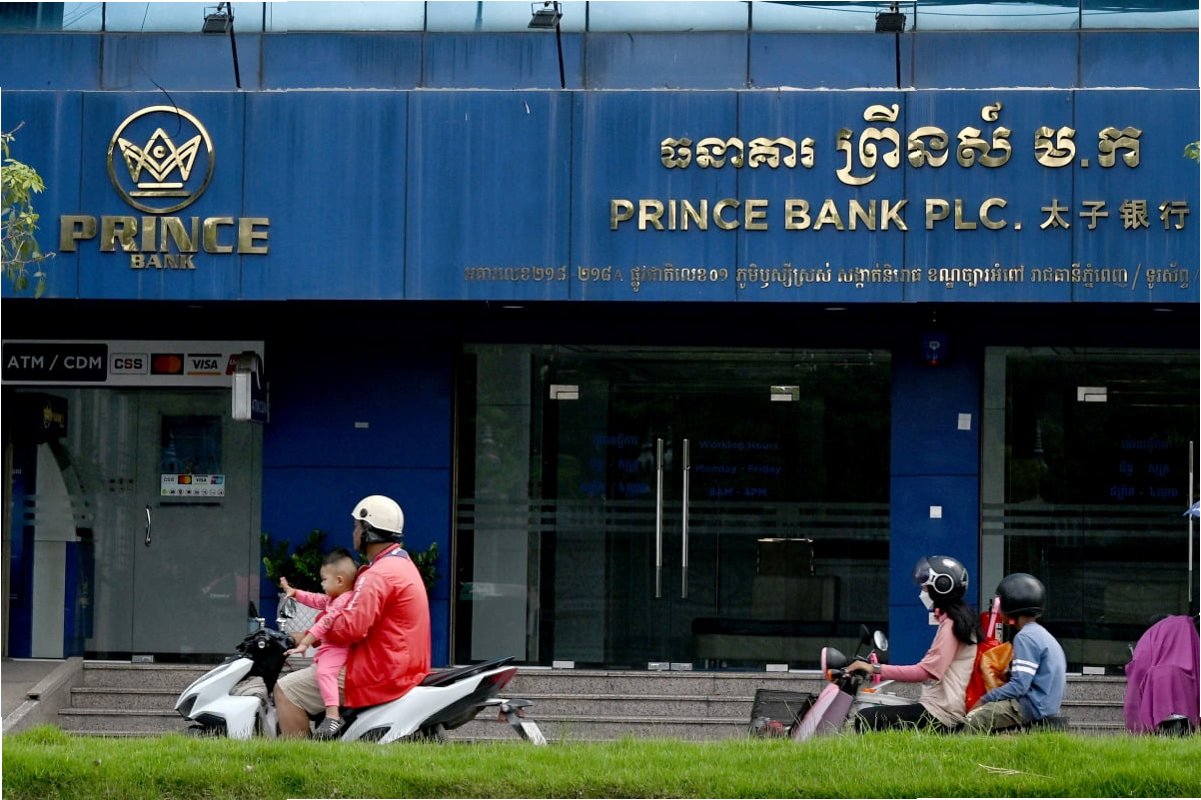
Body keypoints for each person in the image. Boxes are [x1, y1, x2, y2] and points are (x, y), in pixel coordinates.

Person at [274, 495, 432, 738]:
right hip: (402, 666)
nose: (354, 533)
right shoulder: (401, 563)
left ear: (368, 531)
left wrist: (316, 627)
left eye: (357, 526)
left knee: (286, 690)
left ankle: (302, 759)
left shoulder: (377, 575)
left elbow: (350, 628)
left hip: (379, 670)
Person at [848, 555, 982, 732]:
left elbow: (923, 672)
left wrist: (874, 668)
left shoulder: (952, 626)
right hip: (937, 706)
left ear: (941, 587)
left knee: (866, 719)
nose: (922, 591)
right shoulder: (953, 622)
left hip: (941, 713)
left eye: (925, 587)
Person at [964, 572, 1065, 733]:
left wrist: (984, 700)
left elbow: (1019, 686)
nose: (998, 610)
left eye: (1000, 603)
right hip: (1045, 705)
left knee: (975, 720)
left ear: (1011, 605)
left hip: (1031, 706)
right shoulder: (1041, 634)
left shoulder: (1025, 637)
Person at [279, 548, 358, 739]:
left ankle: (332, 715)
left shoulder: (343, 601)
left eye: (324, 580)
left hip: (337, 650)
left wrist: (305, 643)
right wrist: (295, 593)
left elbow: (325, 623)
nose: (321, 584)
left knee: (324, 673)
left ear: (339, 581)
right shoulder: (334, 598)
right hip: (329, 649)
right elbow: (315, 599)